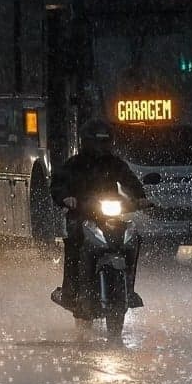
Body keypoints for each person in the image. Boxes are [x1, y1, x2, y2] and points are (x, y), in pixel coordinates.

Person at [50, 118, 148, 311]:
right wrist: (66, 198)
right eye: (97, 142)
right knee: (75, 240)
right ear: (86, 142)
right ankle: (71, 292)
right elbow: (58, 184)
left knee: (133, 239)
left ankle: (129, 290)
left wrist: (141, 197)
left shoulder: (115, 164)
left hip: (109, 216)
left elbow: (130, 181)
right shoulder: (74, 164)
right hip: (81, 215)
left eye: (104, 142)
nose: (101, 147)